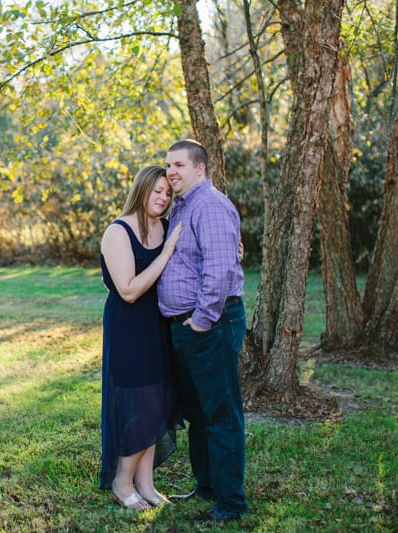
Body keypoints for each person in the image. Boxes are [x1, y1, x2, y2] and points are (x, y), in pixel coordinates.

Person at [157, 139, 248, 523]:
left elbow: (220, 270)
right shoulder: (181, 209)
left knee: (221, 413)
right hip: (185, 328)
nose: (171, 171)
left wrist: (200, 320)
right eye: (168, 165)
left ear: (200, 169)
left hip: (209, 325)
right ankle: (207, 485)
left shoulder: (209, 206)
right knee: (198, 412)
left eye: (179, 164)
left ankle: (230, 504)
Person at [99, 165, 184, 511]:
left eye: (168, 193)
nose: (163, 198)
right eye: (157, 191)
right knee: (141, 404)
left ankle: (146, 484)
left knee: (159, 402)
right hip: (129, 326)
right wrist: (164, 255)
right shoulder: (118, 232)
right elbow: (129, 290)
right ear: (142, 189)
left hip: (158, 324)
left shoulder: (164, 226)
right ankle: (122, 482)